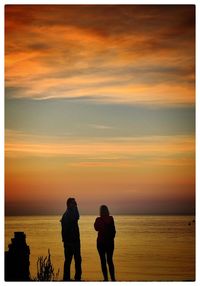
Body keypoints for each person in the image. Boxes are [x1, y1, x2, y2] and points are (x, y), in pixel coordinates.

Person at [60, 198, 82, 281]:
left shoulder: (69, 213)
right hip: (70, 242)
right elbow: (76, 217)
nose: (75, 204)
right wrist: (66, 241)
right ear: (69, 204)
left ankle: (73, 278)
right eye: (73, 203)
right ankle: (70, 278)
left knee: (75, 260)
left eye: (75, 203)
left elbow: (77, 217)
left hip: (74, 240)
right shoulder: (68, 214)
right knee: (71, 260)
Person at [94, 205, 116, 281]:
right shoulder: (111, 219)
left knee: (103, 261)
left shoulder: (98, 220)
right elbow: (114, 231)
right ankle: (113, 279)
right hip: (110, 243)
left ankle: (106, 279)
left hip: (100, 243)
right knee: (110, 261)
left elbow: (96, 228)